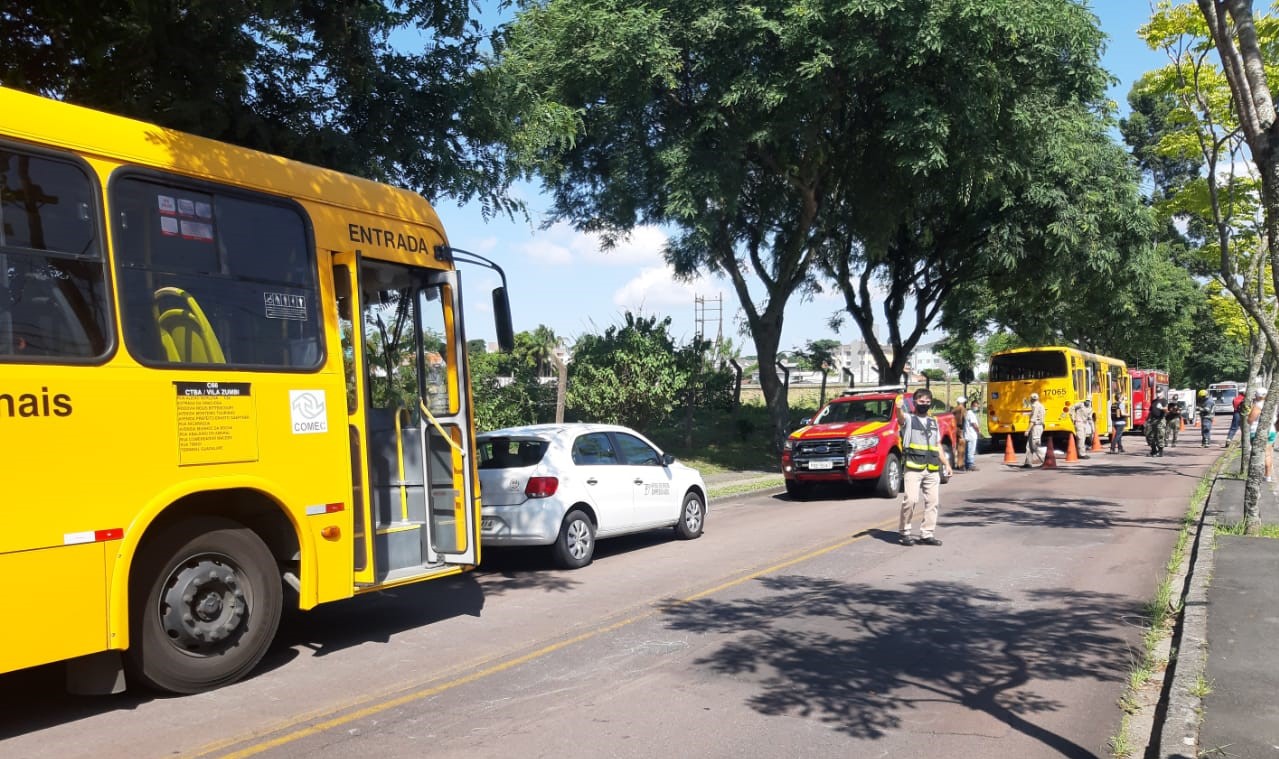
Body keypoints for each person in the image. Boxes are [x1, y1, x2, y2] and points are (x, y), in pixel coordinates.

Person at [898, 388, 948, 546]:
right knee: (911, 500)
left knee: (933, 502)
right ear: (914, 403)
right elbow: (900, 419)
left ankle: (927, 533)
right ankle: (905, 531)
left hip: (932, 467)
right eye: (921, 402)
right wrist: (898, 407)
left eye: (927, 402)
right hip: (913, 466)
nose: (924, 404)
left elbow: (937, 444)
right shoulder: (909, 419)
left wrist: (946, 464)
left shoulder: (934, 422)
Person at [1024, 392, 1046, 468]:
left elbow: (1033, 420)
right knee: (1029, 446)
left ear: (1031, 399)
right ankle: (1028, 463)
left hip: (1036, 426)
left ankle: (1046, 461)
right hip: (1037, 426)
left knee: (1035, 445)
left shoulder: (1035, 406)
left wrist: (1027, 430)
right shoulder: (1040, 405)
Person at [962, 399, 980, 471]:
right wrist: (978, 431)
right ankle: (970, 464)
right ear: (972, 406)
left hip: (968, 435)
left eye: (977, 406)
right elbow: (974, 424)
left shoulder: (969, 413)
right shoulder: (970, 413)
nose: (976, 408)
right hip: (971, 435)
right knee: (971, 451)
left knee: (968, 450)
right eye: (975, 406)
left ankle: (967, 464)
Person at [952, 396, 968, 473]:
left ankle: (956, 463)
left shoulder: (954, 409)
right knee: (961, 449)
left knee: (957, 448)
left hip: (955, 429)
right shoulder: (961, 409)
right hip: (960, 429)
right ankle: (960, 464)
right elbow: (961, 420)